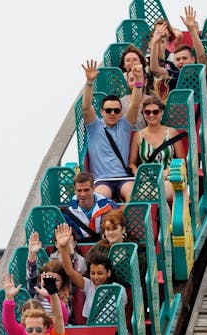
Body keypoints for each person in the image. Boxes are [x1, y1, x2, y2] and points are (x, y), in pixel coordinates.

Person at [82, 59, 144, 202]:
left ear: (121, 112)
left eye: (116, 110)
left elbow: (135, 104)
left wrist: (139, 81)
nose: (112, 113)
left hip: (124, 178)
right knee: (100, 196)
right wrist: (89, 82)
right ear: (102, 112)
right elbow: (86, 108)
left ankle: (133, 223)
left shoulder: (124, 125)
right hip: (102, 180)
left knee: (132, 192)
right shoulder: (94, 126)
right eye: (108, 110)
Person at [56, 223, 128, 321]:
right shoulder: (89, 285)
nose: (96, 277)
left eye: (100, 273)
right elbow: (70, 272)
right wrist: (63, 247)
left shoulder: (119, 290)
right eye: (92, 273)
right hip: (92, 331)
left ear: (108, 273)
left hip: (113, 332)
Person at [129, 95, 186, 203]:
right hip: (146, 180)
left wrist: (168, 171)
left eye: (155, 112)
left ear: (161, 113)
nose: (151, 115)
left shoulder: (171, 133)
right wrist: (137, 172)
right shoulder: (138, 136)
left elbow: (182, 160)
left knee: (162, 193)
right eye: (147, 112)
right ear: (143, 114)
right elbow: (131, 162)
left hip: (168, 177)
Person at [150, 7, 206, 91]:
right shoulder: (176, 76)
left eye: (184, 58)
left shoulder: (199, 72)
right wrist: (154, 43)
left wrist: (191, 29)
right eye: (178, 59)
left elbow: (201, 56)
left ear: (193, 59)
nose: (181, 61)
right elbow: (155, 69)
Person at [62, 171, 119, 240]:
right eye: (79, 190)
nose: (83, 194)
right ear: (75, 190)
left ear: (93, 189)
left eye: (86, 190)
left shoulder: (110, 207)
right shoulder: (67, 213)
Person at [25, 248, 72, 323]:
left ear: (62, 282)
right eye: (48, 279)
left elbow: (64, 318)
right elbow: (31, 276)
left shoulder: (64, 296)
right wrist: (32, 254)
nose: (52, 283)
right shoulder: (37, 292)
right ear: (41, 279)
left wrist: (50, 295)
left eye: (56, 280)